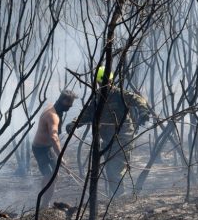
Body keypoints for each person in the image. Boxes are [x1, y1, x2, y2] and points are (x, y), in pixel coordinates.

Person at [70, 66, 152, 197]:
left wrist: (143, 111)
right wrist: (75, 123)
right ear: (97, 82)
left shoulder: (120, 94)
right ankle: (117, 198)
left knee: (115, 170)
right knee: (110, 170)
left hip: (123, 138)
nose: (103, 85)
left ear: (111, 81)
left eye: (105, 82)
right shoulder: (97, 98)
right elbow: (87, 113)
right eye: (100, 83)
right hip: (107, 139)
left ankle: (120, 199)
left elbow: (138, 99)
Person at [31, 89, 77, 209]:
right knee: (50, 176)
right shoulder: (53, 116)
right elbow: (53, 136)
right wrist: (61, 157)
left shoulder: (52, 106)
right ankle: (43, 205)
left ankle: (44, 202)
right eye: (69, 103)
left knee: (52, 176)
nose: (70, 106)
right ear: (62, 101)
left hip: (46, 148)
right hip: (41, 149)